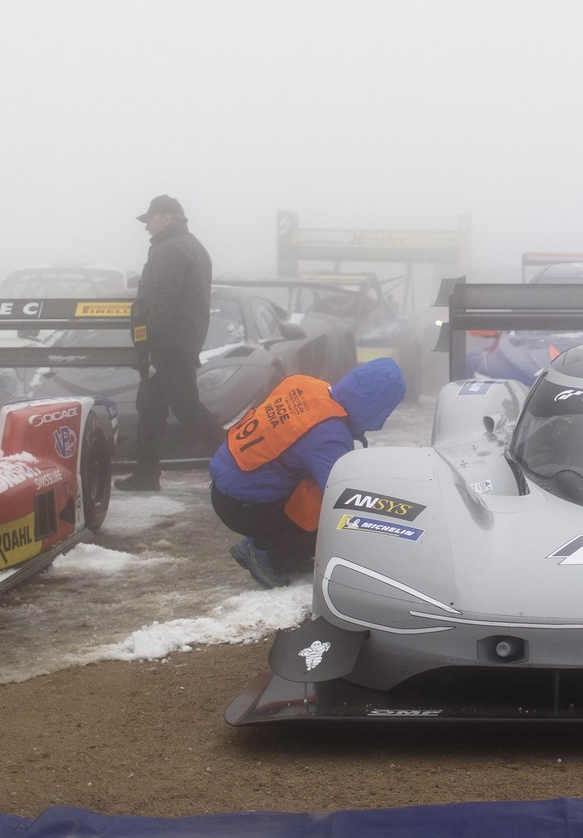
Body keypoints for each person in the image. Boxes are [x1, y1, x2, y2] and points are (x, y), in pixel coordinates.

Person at [208, 358, 407, 588]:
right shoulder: (329, 436)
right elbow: (344, 497)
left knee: (315, 486)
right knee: (329, 513)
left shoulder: (305, 385)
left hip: (226, 482)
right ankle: (264, 551)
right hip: (243, 506)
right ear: (378, 407)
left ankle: (282, 553)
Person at [118, 194, 216, 491]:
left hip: (168, 343)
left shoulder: (170, 250)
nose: (146, 226)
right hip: (181, 339)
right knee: (151, 406)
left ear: (168, 217)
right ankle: (146, 474)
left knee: (186, 407)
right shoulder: (192, 246)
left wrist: (148, 342)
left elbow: (162, 299)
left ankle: (241, 464)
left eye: (150, 219)